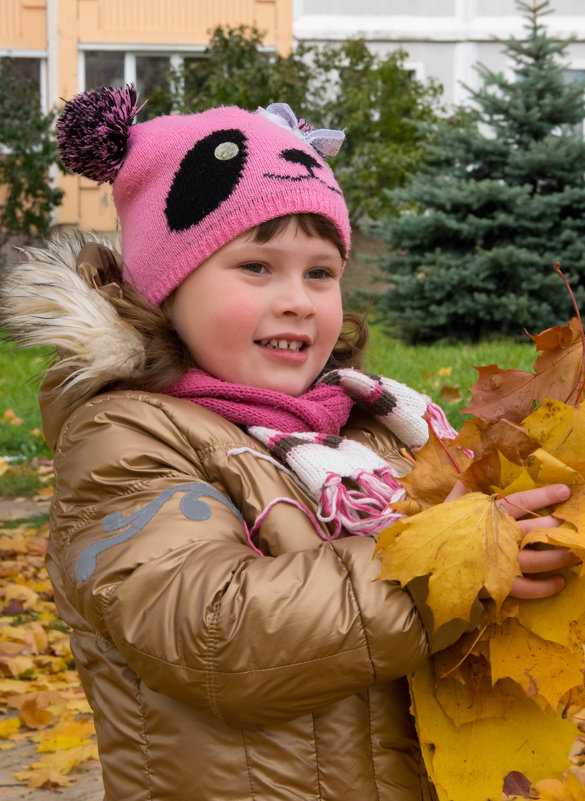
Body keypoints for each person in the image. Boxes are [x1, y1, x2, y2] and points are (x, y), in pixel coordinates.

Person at [1, 86, 577, 801]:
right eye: (256, 267)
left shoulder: (368, 427)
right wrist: (441, 566)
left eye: (320, 272)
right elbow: (213, 635)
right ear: (165, 289)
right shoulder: (124, 438)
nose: (298, 299)